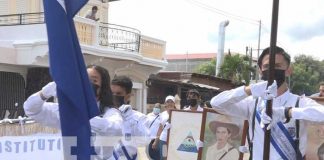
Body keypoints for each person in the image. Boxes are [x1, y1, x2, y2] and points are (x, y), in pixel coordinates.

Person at [210, 46, 324, 159]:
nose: (272, 70)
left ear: (289, 70)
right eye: (267, 66)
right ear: (260, 70)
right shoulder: (252, 103)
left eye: (277, 66)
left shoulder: (300, 102)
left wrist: (287, 112)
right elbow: (216, 103)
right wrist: (249, 90)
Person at [23, 65, 123, 159]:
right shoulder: (65, 110)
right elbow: (30, 109)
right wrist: (45, 93)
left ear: (103, 87)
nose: (87, 84)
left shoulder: (110, 112)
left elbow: (115, 129)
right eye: (84, 79)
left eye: (94, 80)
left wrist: (77, 115)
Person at [110, 75, 150, 160]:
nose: (114, 96)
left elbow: (144, 141)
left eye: (118, 94)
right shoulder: (105, 116)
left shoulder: (139, 118)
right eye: (112, 93)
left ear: (128, 96)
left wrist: (129, 120)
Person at [152, 95, 177, 160]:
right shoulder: (163, 114)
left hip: (174, 140)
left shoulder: (178, 113)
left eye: (171, 102)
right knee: (164, 157)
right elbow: (160, 129)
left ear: (174, 103)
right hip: (163, 141)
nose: (169, 103)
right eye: (168, 102)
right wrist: (156, 141)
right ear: (165, 103)